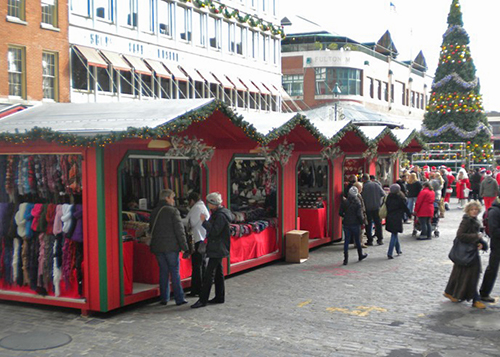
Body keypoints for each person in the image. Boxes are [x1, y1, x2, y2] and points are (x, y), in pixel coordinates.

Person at [191, 192, 234, 308]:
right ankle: (219, 297)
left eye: (208, 202)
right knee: (218, 273)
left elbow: (215, 231)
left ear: (212, 203)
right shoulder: (220, 213)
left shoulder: (220, 215)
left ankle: (203, 299)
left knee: (209, 274)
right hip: (219, 247)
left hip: (217, 247)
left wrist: (204, 222)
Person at [444, 201, 489, 309]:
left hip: (468, 251)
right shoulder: (466, 221)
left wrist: (481, 244)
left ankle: (449, 292)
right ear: (468, 210)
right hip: (466, 252)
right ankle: (475, 299)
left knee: (459, 273)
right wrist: (476, 237)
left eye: (476, 209)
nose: (474, 211)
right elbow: (460, 235)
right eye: (472, 209)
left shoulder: (473, 220)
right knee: (472, 275)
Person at [149, 189, 189, 306]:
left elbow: (151, 229)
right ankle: (179, 298)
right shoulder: (173, 211)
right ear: (167, 198)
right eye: (172, 198)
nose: (173, 200)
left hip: (158, 247)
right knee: (175, 272)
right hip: (171, 247)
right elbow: (179, 230)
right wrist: (185, 246)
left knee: (163, 272)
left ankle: (164, 297)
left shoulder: (154, 211)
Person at [182, 192, 210, 297]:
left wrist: (178, 220)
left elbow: (191, 222)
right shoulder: (201, 207)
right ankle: (200, 288)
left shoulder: (197, 208)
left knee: (197, 265)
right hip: (201, 239)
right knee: (201, 265)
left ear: (192, 200)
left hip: (198, 239)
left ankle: (196, 289)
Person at [339, 186, 368, 265]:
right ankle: (360, 255)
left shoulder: (345, 202)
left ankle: (346, 259)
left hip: (346, 223)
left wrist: (345, 215)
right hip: (355, 223)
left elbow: (340, 213)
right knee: (357, 240)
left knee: (347, 241)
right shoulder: (357, 202)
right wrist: (362, 222)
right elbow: (359, 214)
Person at [479, 195, 500, 302]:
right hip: (497, 245)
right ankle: (484, 292)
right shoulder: (495, 211)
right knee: (493, 268)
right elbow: (494, 231)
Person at [385, 184, 411, 259]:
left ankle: (398, 249)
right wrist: (409, 214)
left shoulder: (389, 197)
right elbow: (405, 207)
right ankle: (390, 252)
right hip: (397, 217)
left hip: (389, 217)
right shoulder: (400, 198)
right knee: (394, 234)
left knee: (394, 233)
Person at [361, 174, 386, 245]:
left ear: (363, 179)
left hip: (367, 208)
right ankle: (380, 239)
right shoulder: (376, 185)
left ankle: (370, 240)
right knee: (378, 223)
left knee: (368, 224)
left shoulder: (364, 187)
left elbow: (362, 198)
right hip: (377, 207)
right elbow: (383, 194)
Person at [353, 181, 368, 248]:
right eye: (361, 187)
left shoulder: (355, 195)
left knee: (359, 230)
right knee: (360, 230)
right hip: (359, 215)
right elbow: (360, 206)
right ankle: (359, 243)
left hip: (357, 215)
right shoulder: (357, 196)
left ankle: (357, 242)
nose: (362, 188)